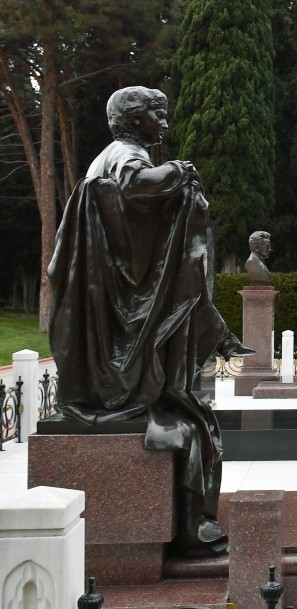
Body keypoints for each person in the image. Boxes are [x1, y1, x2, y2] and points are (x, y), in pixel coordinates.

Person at [48, 86, 253, 554]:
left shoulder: (112, 156)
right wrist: (180, 174)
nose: (164, 122)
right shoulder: (124, 156)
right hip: (120, 322)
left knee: (187, 414)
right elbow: (140, 188)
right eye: (156, 114)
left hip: (114, 313)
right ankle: (190, 528)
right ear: (133, 119)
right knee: (190, 419)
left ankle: (188, 523)